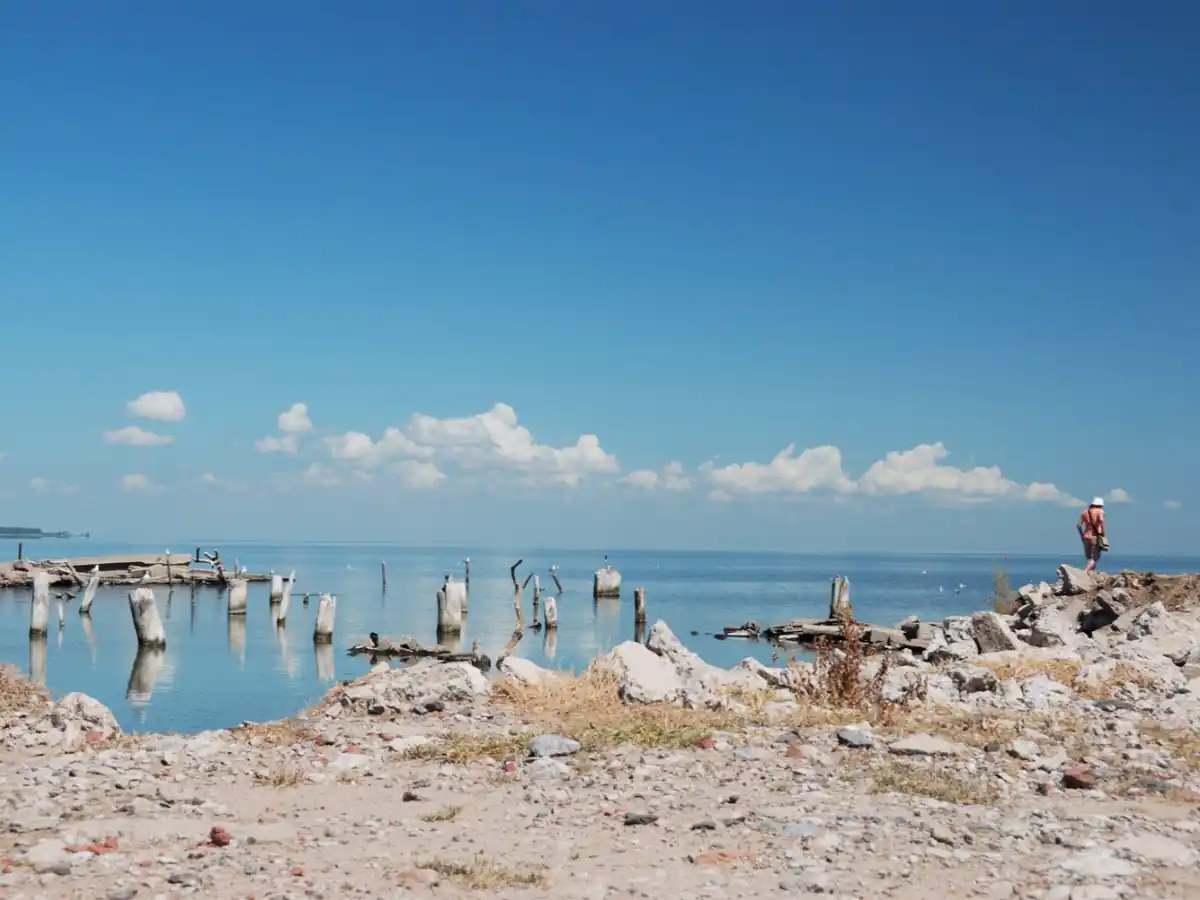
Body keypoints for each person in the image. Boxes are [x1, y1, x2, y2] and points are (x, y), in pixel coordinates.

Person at [1077, 497, 1106, 572]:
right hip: (1095, 537)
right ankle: (1085, 571)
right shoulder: (1100, 511)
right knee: (1095, 557)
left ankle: (1092, 573)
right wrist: (1103, 533)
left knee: (1089, 558)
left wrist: (1082, 535)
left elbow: (1079, 525)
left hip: (1086, 537)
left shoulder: (1085, 512)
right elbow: (1102, 522)